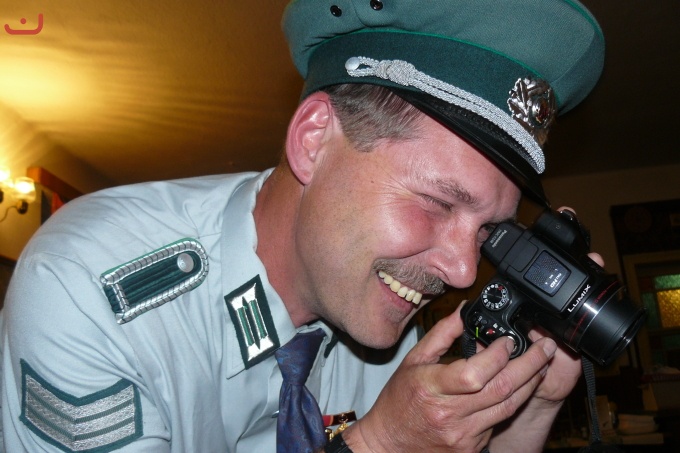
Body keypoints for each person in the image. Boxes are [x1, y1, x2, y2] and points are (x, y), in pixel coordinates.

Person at [0, 0, 606, 452]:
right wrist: (378, 445)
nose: (463, 270)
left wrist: (525, 409)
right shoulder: (87, 287)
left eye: (487, 233)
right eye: (437, 204)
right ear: (314, 141)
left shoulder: (387, 310)